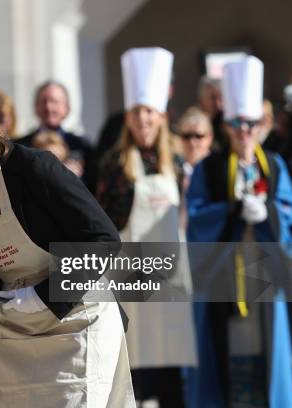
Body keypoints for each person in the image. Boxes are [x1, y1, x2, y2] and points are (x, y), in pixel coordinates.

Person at [0, 28, 134, 408]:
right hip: (18, 331)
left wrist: (43, 295)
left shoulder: (35, 169)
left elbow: (103, 240)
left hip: (78, 321)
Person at [186, 56, 292, 408]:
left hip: (264, 274)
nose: (244, 132)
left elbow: (290, 208)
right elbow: (197, 215)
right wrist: (234, 211)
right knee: (224, 359)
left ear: (261, 124)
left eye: (250, 123)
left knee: (267, 355)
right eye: (237, 123)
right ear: (226, 126)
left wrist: (267, 215)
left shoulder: (274, 165)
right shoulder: (211, 167)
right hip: (223, 275)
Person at [95, 47, 196, 408]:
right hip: (131, 274)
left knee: (173, 364)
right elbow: (104, 220)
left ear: (161, 115)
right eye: (137, 113)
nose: (143, 120)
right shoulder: (114, 163)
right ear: (128, 118)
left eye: (149, 112)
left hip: (170, 274)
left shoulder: (180, 163)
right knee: (134, 363)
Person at [16, 80, 90, 172]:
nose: (49, 107)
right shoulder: (21, 147)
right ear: (36, 107)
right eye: (44, 101)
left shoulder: (81, 146)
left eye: (54, 101)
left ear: (67, 108)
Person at [197, 76, 226, 151]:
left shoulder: (229, 126)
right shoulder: (193, 126)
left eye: (221, 98)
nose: (218, 104)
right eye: (213, 98)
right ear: (201, 100)